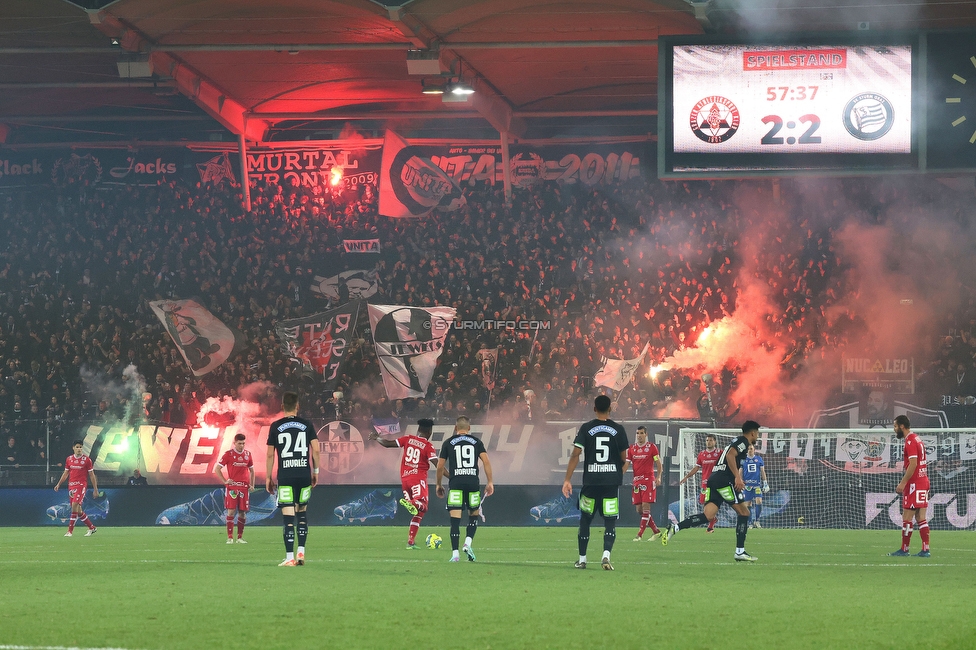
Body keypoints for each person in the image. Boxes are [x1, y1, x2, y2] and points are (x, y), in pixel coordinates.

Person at [663, 421, 761, 562]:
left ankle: (675, 528)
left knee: (708, 516)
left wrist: (736, 477)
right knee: (744, 512)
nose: (757, 436)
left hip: (714, 480)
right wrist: (738, 477)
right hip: (723, 481)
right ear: (752, 433)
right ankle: (740, 552)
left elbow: (727, 457)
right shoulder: (743, 442)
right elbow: (730, 456)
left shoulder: (736, 441)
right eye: (757, 433)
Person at [561, 395, 629, 571]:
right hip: (610, 484)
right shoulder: (619, 429)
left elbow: (576, 454)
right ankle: (606, 556)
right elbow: (624, 458)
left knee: (585, 520)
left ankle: (582, 560)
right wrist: (616, 474)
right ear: (610, 409)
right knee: (610, 521)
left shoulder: (586, 428)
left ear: (594, 408)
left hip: (591, 481)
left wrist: (567, 479)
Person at [266, 392, 319, 566]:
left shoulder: (275, 426)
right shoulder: (307, 424)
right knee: (302, 514)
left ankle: (289, 557)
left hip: (286, 475)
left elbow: (269, 455)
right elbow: (316, 450)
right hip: (304, 474)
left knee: (288, 517)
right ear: (298, 407)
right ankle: (301, 552)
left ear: (282, 407)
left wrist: (268, 477)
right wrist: (315, 471)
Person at [370, 418, 439, 549]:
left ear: (418, 430)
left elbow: (387, 444)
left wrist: (376, 438)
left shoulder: (407, 439)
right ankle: (411, 503)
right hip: (417, 480)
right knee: (423, 506)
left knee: (419, 513)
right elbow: (437, 464)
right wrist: (451, 476)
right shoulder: (428, 446)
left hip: (405, 481)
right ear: (430, 432)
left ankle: (410, 542)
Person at [435, 416, 494, 562]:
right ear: (469, 429)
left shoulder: (448, 443)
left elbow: (440, 466)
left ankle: (455, 554)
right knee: (473, 516)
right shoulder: (476, 442)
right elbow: (486, 461)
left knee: (455, 521)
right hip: (473, 483)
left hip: (456, 483)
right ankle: (468, 543)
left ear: (455, 428)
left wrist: (438, 484)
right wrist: (490, 481)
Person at [889, 415, 931, 557]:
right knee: (921, 517)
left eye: (895, 426)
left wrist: (903, 482)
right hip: (923, 480)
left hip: (914, 483)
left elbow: (913, 464)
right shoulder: (917, 439)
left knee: (907, 517)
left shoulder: (910, 441)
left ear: (902, 426)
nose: (894, 430)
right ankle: (925, 550)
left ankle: (904, 549)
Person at [621, 425, 662, 542]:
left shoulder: (651, 447)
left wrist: (658, 477)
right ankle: (656, 531)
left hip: (648, 480)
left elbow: (659, 463)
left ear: (646, 434)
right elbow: (626, 465)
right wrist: (619, 476)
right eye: (637, 433)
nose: (639, 435)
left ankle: (639, 534)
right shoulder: (632, 449)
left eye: (641, 433)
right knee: (639, 510)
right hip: (637, 482)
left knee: (645, 507)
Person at [53, 440, 100, 537]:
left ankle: (70, 531)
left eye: (80, 447)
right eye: (77, 447)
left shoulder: (87, 460)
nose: (79, 449)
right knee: (78, 511)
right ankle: (92, 528)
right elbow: (66, 473)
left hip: (81, 485)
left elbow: (91, 475)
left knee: (74, 505)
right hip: (71, 486)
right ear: (73, 448)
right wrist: (59, 484)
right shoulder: (69, 459)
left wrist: (95, 489)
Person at [215, 432, 255, 544]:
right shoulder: (228, 454)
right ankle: (230, 537)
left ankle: (240, 537)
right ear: (234, 443)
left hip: (244, 488)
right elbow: (217, 469)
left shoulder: (248, 454)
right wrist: (225, 481)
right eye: (239, 443)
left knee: (242, 512)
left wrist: (252, 484)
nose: (242, 446)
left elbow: (252, 470)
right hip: (232, 488)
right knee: (231, 511)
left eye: (243, 443)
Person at [678, 433, 722, 533]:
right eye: (707, 440)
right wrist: (686, 477)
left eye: (711, 440)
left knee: (713, 504)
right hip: (705, 484)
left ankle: (711, 525)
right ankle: (712, 520)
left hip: (716, 483)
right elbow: (697, 467)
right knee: (705, 506)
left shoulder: (720, 453)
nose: (709, 442)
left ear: (715, 441)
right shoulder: (702, 454)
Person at [741, 444, 769, 528]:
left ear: (754, 450)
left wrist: (765, 483)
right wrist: (740, 481)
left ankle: (757, 520)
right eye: (748, 449)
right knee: (748, 504)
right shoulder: (743, 460)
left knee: (759, 501)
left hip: (757, 485)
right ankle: (750, 523)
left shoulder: (759, 459)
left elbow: (762, 471)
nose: (750, 450)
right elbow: (740, 471)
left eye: (751, 449)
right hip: (747, 486)